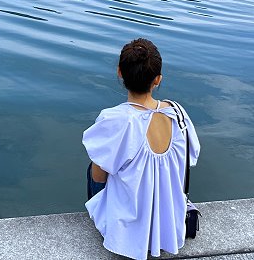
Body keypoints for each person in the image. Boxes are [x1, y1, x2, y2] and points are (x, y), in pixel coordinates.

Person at [82, 38, 200, 260]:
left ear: (119, 72)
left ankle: (109, 218)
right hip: (169, 224)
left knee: (95, 165)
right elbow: (190, 158)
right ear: (158, 80)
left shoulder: (116, 119)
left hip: (127, 228)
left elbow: (99, 177)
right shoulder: (178, 114)